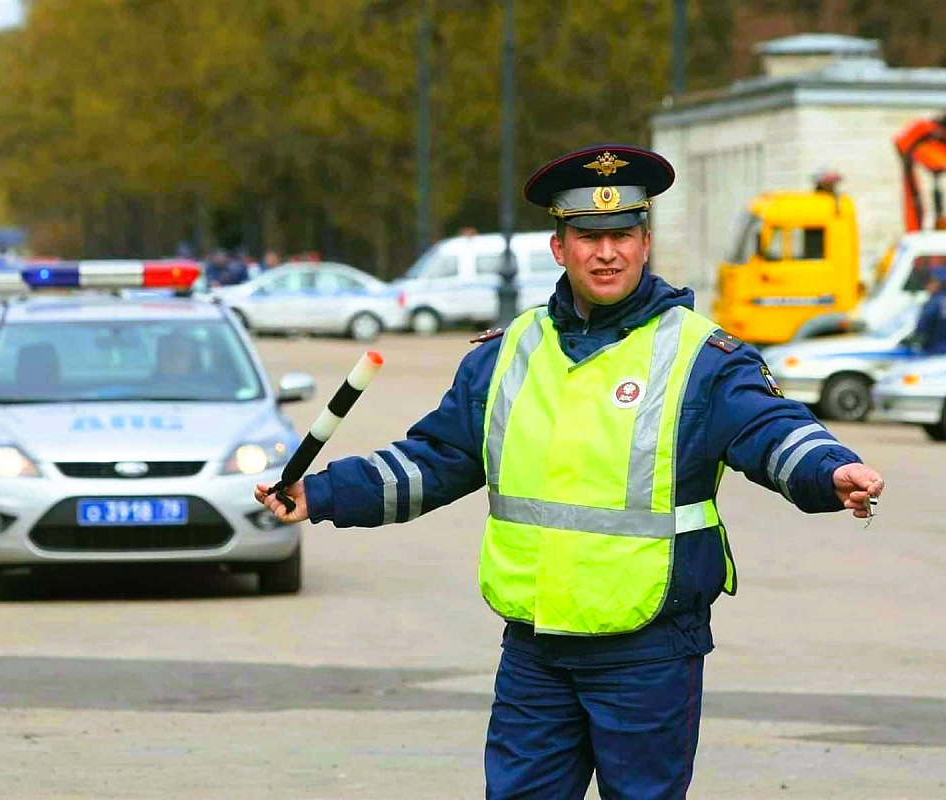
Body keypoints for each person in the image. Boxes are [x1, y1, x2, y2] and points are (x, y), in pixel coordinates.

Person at [254, 144, 886, 799]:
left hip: (648, 646)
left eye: (621, 236)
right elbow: (434, 460)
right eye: (588, 236)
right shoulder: (505, 355)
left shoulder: (702, 354)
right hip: (535, 648)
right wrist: (321, 492)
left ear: (645, 243)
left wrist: (829, 469)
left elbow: (769, 429)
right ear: (560, 247)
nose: (605, 252)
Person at [912, 266, 946, 354]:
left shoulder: (934, 302)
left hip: (935, 352)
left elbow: (922, 329)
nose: (927, 286)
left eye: (931, 282)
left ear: (941, 284)